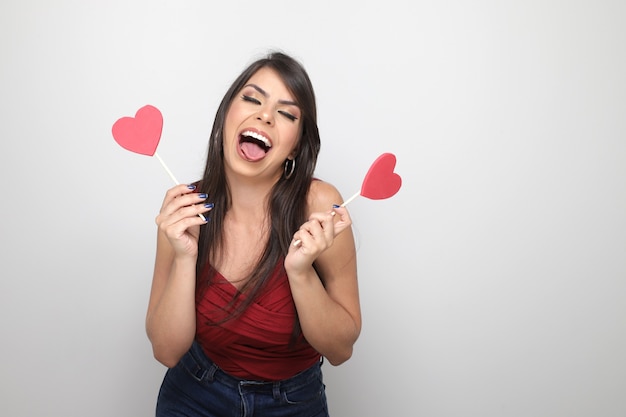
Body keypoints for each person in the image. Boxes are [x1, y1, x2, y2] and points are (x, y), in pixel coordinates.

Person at [146, 51, 361, 417]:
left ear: (295, 144)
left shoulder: (321, 206)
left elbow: (340, 350)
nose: (265, 115)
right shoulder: (186, 209)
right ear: (227, 114)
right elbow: (166, 351)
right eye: (252, 98)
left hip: (293, 403)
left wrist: (300, 272)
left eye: (286, 113)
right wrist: (184, 257)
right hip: (193, 395)